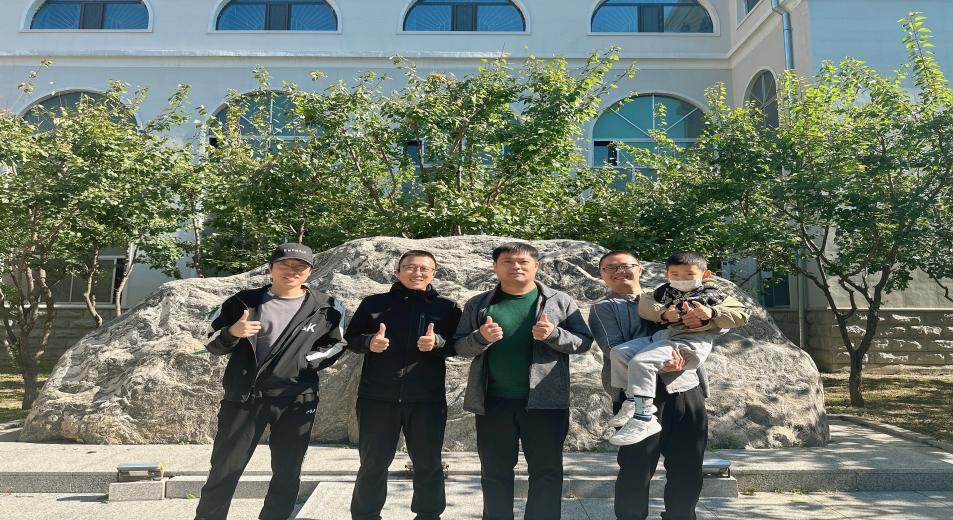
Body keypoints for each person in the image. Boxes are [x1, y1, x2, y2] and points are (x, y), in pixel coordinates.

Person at [194, 243, 347, 520]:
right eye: (284, 265)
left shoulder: (327, 307)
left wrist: (303, 362)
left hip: (296, 399)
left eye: (299, 266)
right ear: (270, 268)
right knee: (224, 469)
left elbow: (337, 345)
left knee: (287, 471)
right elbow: (210, 343)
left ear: (310, 271)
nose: (291, 271)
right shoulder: (242, 302)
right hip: (244, 398)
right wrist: (232, 332)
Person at [587, 250, 734, 520]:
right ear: (601, 274)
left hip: (683, 388)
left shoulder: (673, 293)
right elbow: (612, 348)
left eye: (626, 266)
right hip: (634, 395)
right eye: (610, 268)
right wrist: (663, 360)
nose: (619, 272)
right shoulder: (603, 308)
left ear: (639, 269)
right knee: (636, 467)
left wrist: (705, 316)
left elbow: (720, 325)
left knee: (687, 464)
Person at [453, 242, 592, 520]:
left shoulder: (559, 301)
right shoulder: (479, 304)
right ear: (495, 267)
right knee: (494, 472)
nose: (515, 266)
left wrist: (553, 335)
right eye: (507, 261)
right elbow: (459, 347)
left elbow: (584, 342)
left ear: (535, 266)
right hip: (493, 402)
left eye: (523, 262)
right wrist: (481, 338)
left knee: (547, 471)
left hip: (546, 402)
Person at [344, 250, 462, 520]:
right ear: (398, 271)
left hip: (426, 399)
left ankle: (429, 515)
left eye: (424, 268)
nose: (416, 272)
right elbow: (350, 338)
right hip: (377, 397)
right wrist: (369, 342)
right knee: (373, 463)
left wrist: (438, 343)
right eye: (409, 267)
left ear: (433, 274)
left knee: (428, 463)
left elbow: (459, 344)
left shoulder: (447, 307)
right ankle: (365, 515)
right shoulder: (373, 304)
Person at [605, 251, 749, 447]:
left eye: (689, 274)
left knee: (641, 361)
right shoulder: (664, 291)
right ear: (667, 274)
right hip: (664, 338)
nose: (682, 279)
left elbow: (741, 314)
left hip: (690, 342)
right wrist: (664, 314)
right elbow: (646, 304)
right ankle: (632, 401)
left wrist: (711, 314)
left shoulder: (713, 294)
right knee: (620, 353)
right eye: (675, 274)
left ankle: (644, 417)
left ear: (705, 274)